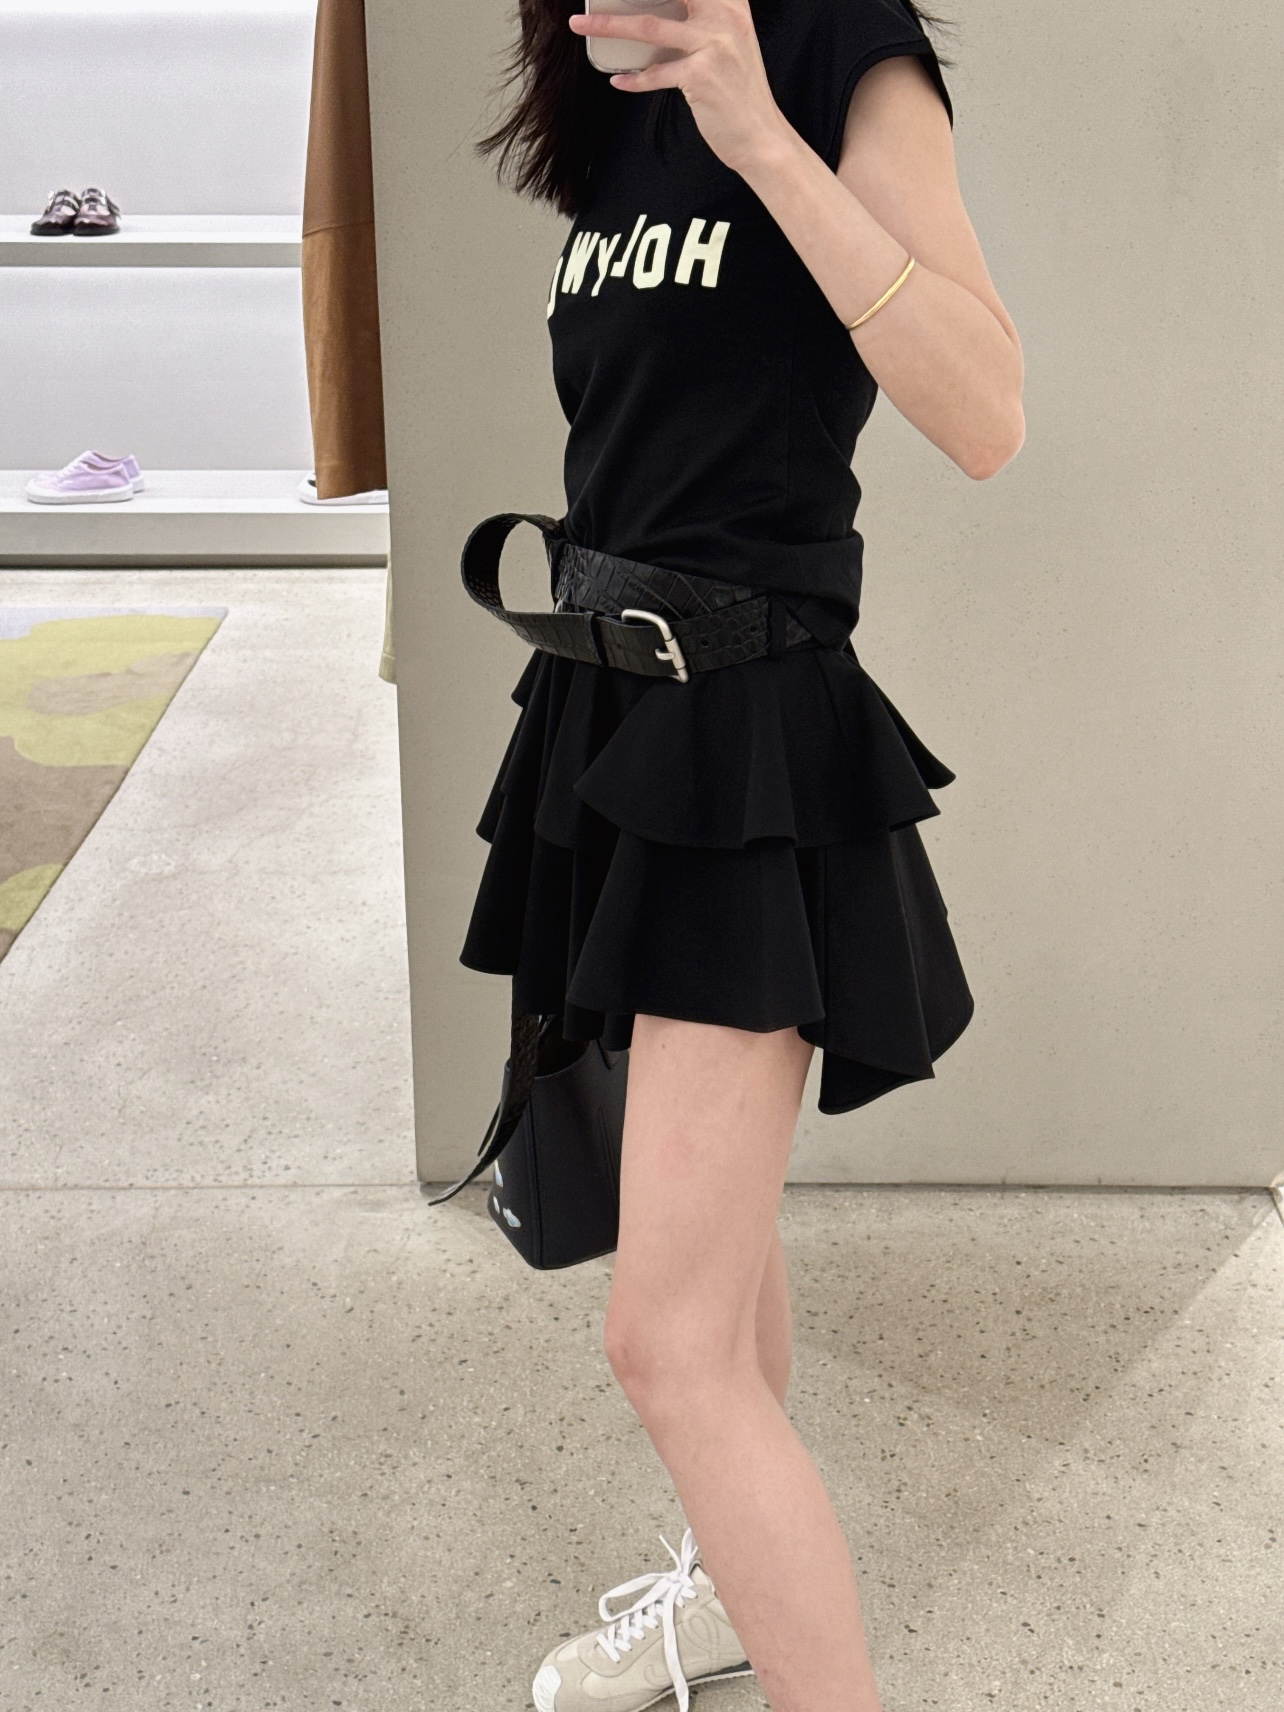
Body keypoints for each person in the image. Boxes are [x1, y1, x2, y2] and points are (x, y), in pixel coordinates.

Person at [458, 0, 1024, 1707]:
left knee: (664, 1344)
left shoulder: (840, 44)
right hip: (608, 719)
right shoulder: (604, 82)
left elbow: (985, 410)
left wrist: (760, 132)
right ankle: (724, 1597)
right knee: (713, 1261)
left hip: (746, 734)